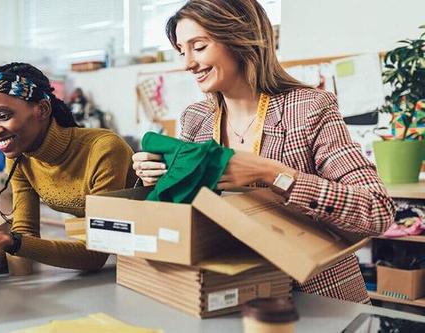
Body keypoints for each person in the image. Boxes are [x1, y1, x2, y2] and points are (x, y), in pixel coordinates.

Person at [132, 0, 395, 304]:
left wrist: (274, 175)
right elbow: (182, 213)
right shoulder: (196, 119)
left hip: (317, 301)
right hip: (230, 299)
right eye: (182, 51)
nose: (188, 63)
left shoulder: (308, 108)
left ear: (239, 39)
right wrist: (155, 175)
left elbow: (377, 211)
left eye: (199, 46)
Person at [0, 62, 135, 273]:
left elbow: (96, 254)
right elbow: (25, 235)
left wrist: (7, 241)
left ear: (42, 109)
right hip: (115, 256)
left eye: (3, 116)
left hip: (148, 253)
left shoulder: (103, 149)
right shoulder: (19, 155)